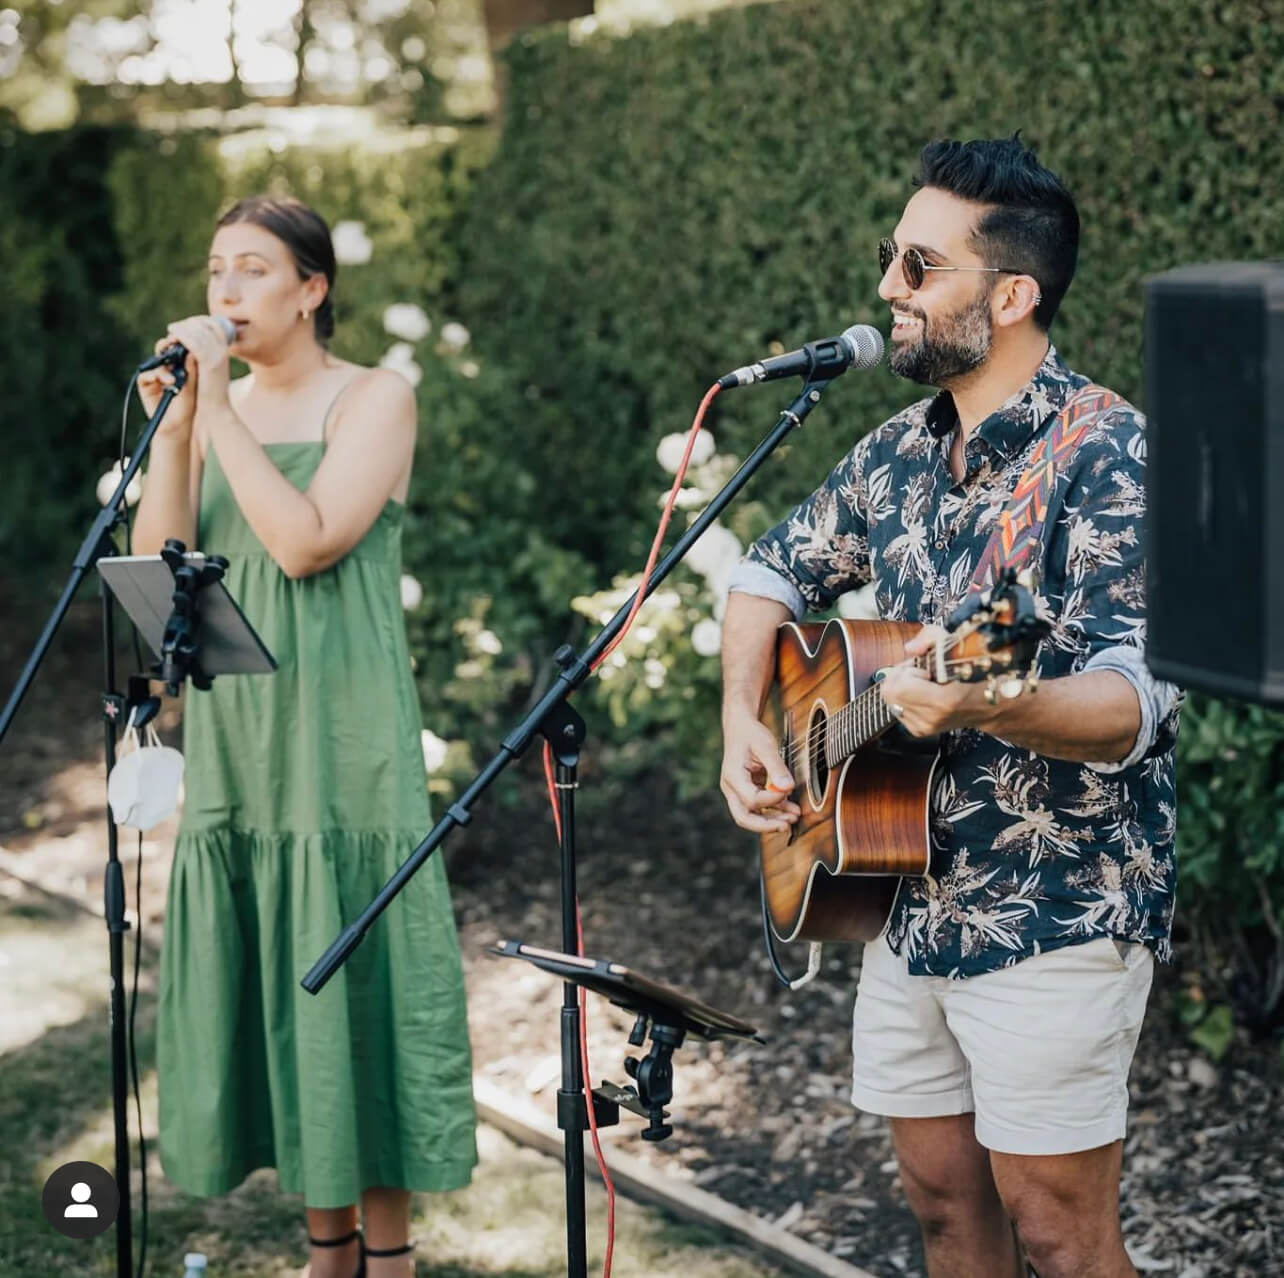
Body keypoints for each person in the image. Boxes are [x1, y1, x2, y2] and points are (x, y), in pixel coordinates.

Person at [718, 136, 1181, 1278]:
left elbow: (1135, 702)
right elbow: (765, 577)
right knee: (938, 1209)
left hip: (1056, 907)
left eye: (919, 267)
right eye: (893, 258)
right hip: (903, 900)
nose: (888, 288)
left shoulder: (1109, 452)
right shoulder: (894, 456)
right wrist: (743, 720)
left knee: (1060, 1235)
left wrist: (985, 707)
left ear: (1012, 295)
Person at [132, 195, 477, 1278]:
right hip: (241, 744)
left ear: (311, 289)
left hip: (345, 746)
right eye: (214, 270)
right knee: (276, 980)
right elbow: (161, 577)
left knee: (353, 985)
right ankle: (325, 1253)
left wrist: (220, 411)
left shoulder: (376, 398)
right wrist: (179, 433)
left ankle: (389, 1258)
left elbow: (308, 545)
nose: (224, 292)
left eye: (252, 270)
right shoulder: (211, 411)